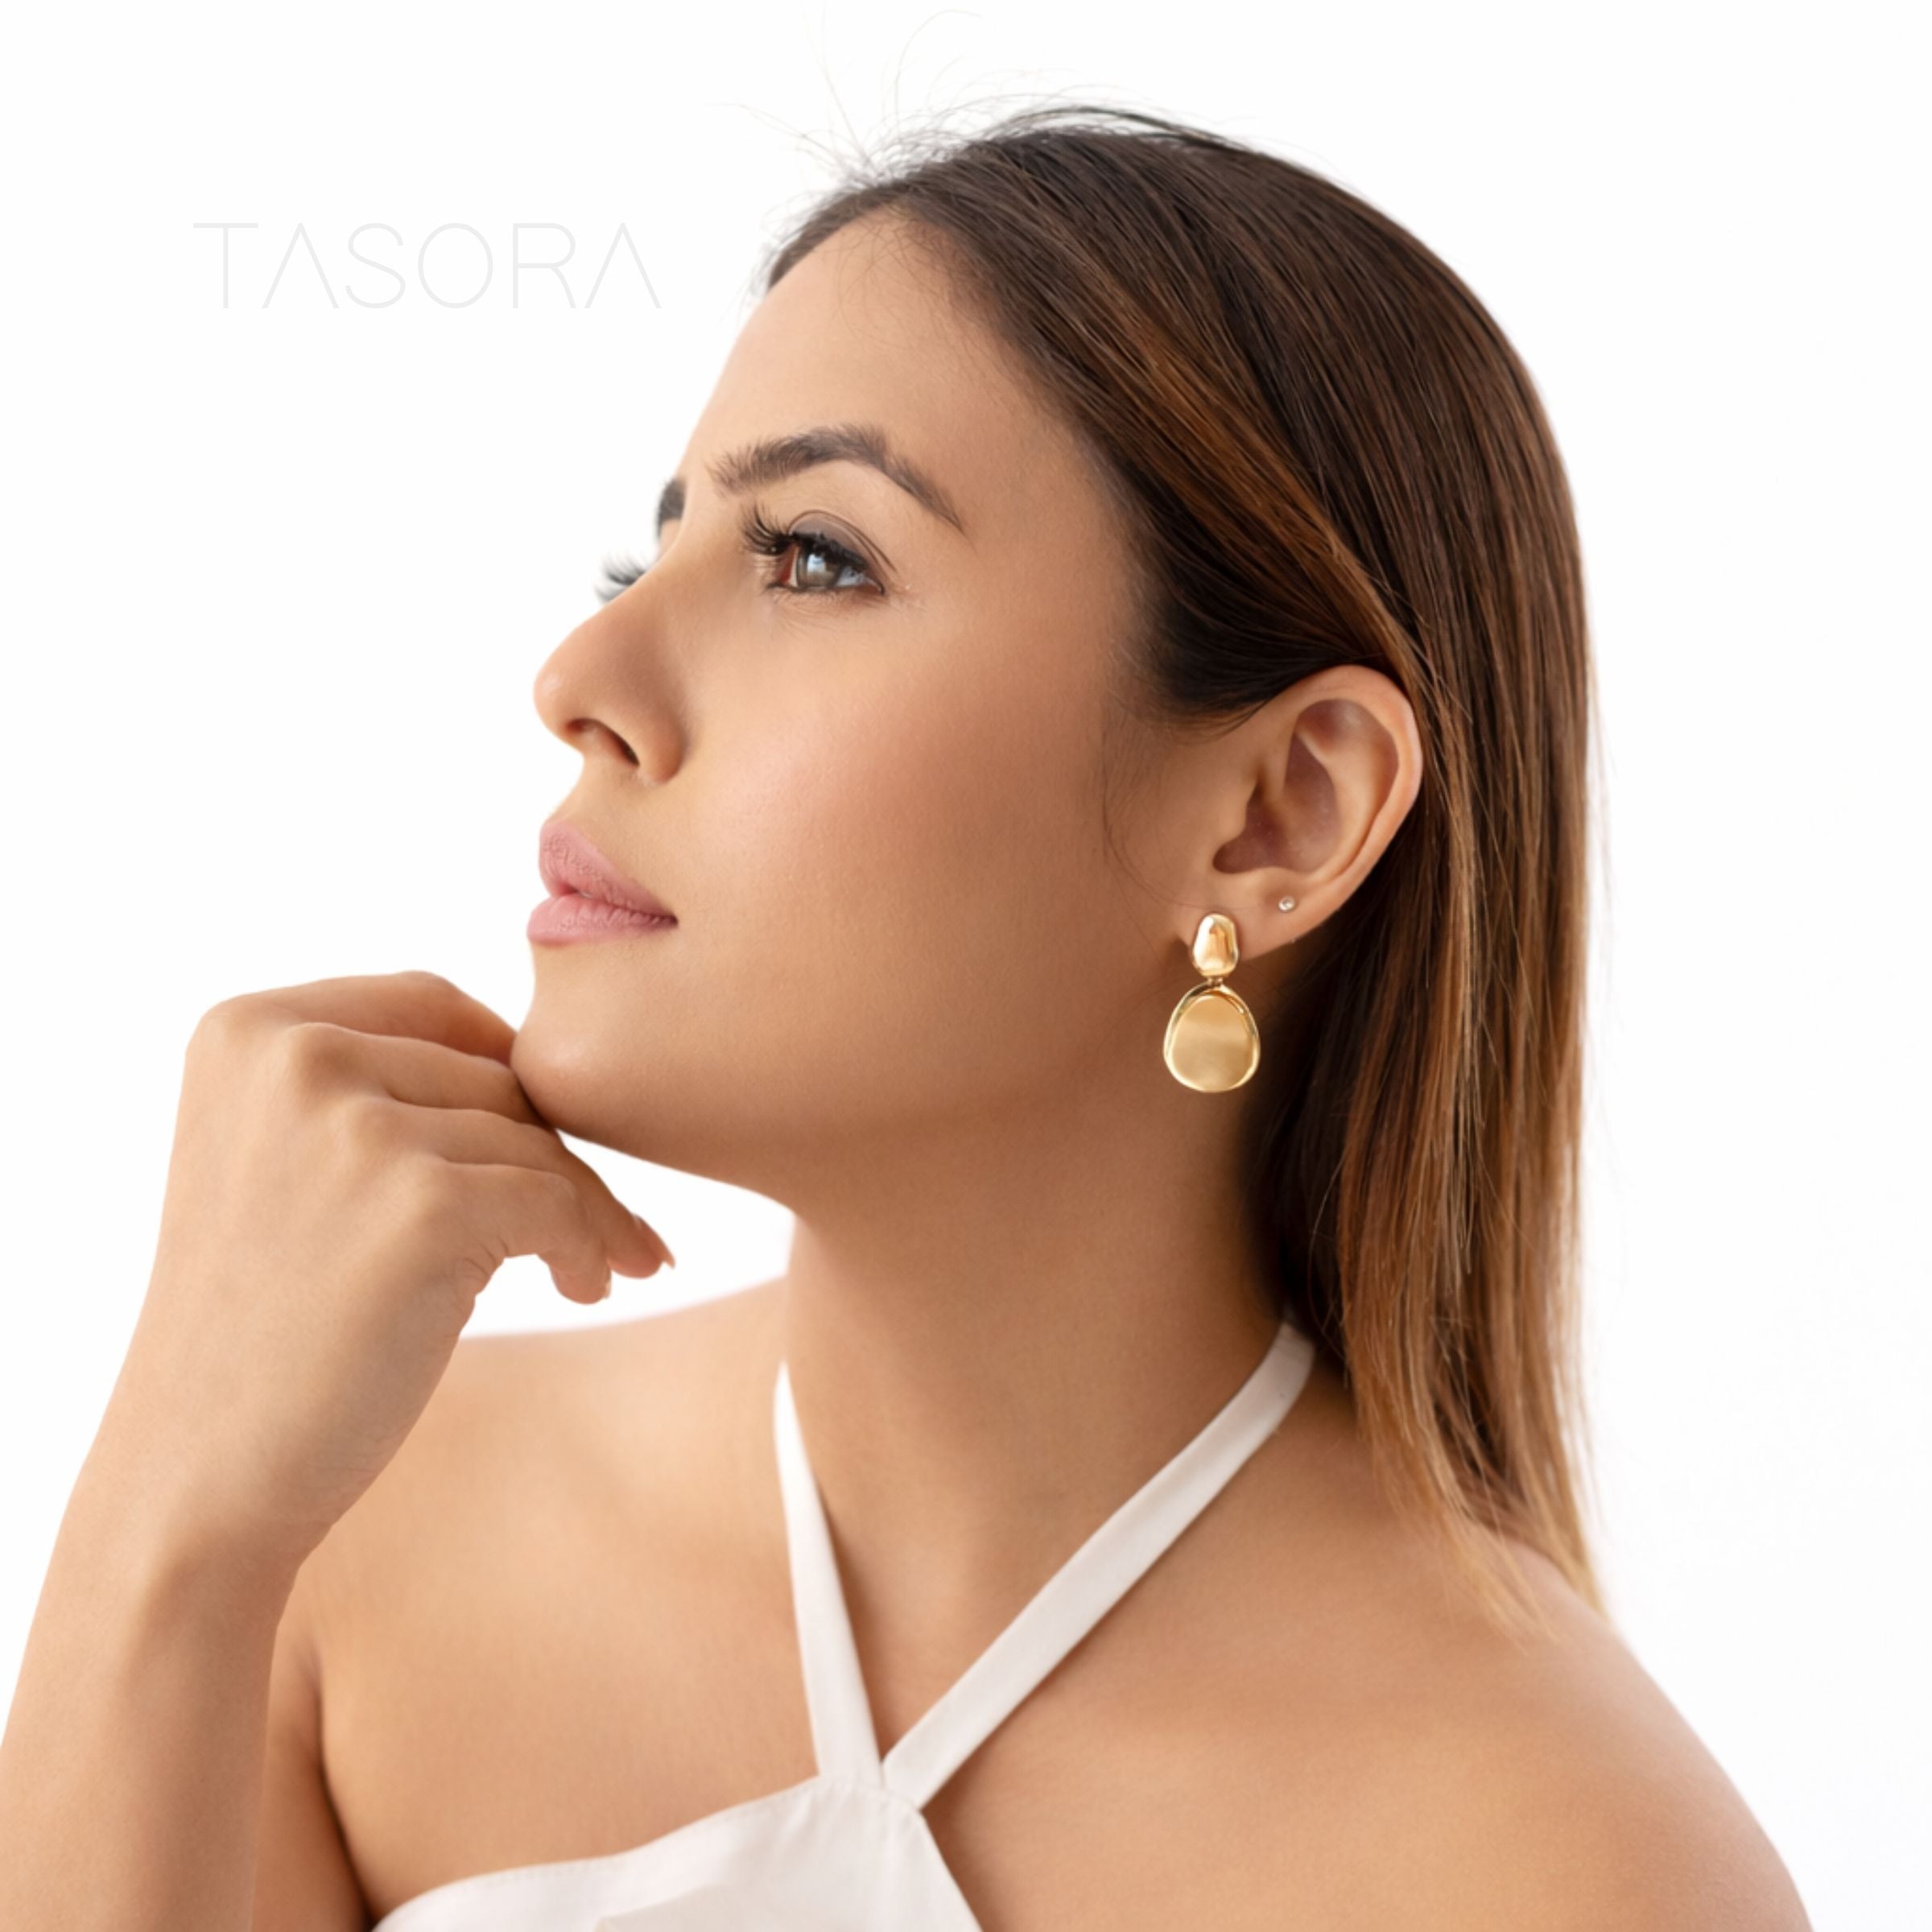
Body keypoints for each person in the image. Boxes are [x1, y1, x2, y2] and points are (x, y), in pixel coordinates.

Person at [0, 103, 1810, 1927]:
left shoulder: (1564, 1867)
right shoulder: (357, 1537)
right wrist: (167, 1522)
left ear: (1282, 811)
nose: (581, 682)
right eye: (650, 559)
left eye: (814, 559)